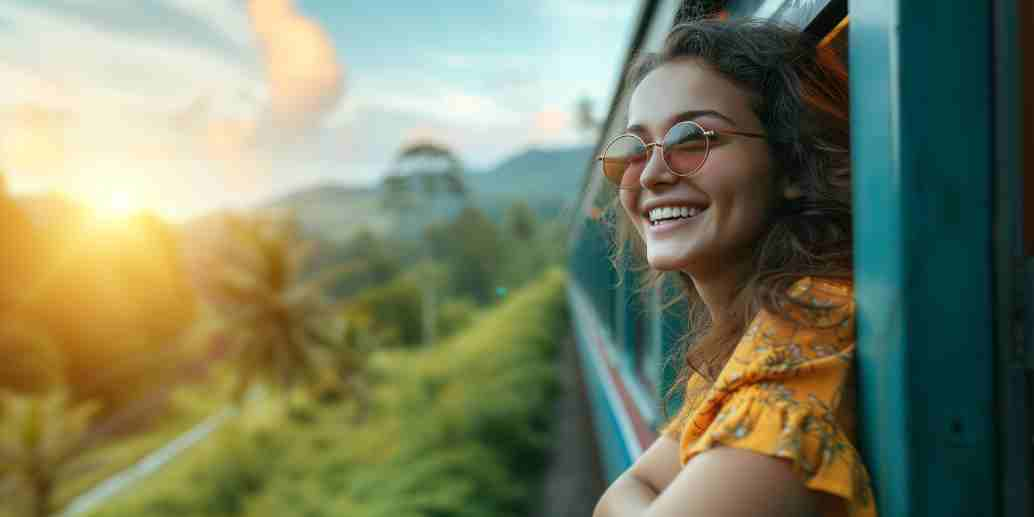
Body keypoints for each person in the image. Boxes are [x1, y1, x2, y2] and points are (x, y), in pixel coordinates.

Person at [592, 18, 875, 517]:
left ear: (791, 164)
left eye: (694, 137)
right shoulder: (756, 331)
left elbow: (627, 496)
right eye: (636, 149)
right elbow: (621, 492)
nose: (653, 173)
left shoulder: (812, 333)